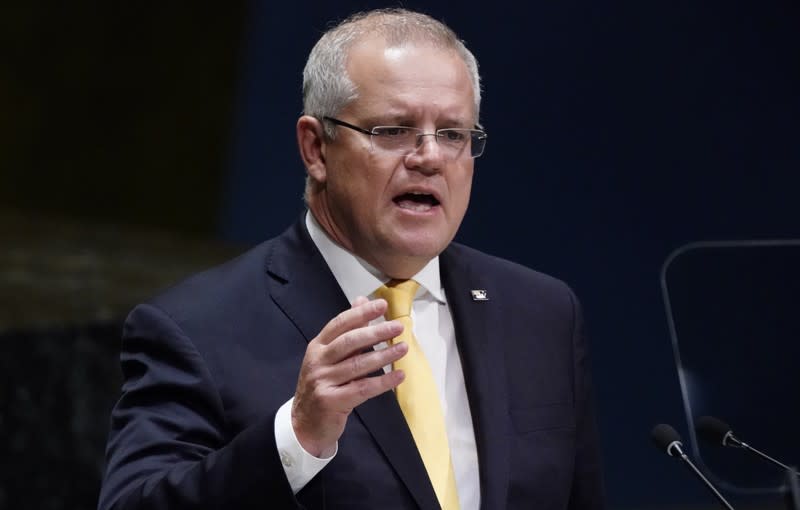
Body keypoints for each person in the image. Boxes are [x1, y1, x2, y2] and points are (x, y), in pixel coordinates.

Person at [97, 8, 605, 510]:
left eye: (452, 134)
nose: (429, 157)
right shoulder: (197, 328)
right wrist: (296, 437)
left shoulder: (542, 314)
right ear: (316, 148)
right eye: (393, 130)